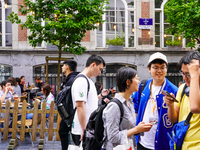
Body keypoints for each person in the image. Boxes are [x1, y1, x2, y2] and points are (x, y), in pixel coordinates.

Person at [132, 52, 178, 150]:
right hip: (142, 141)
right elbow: (136, 106)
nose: (159, 71)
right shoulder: (143, 86)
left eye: (162, 67)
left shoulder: (173, 90)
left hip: (163, 143)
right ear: (149, 69)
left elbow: (176, 119)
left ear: (166, 69)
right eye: (155, 67)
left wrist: (170, 105)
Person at [102, 67, 152, 150]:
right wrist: (136, 129)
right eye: (136, 78)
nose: (139, 82)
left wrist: (139, 128)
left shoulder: (130, 101)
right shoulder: (114, 106)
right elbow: (112, 137)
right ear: (128, 82)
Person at [163, 51, 200, 149]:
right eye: (183, 73)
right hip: (182, 145)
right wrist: (170, 105)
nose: (184, 78)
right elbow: (173, 119)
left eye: (188, 74)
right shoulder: (182, 88)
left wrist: (194, 75)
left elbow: (195, 108)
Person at [71, 55, 106, 145]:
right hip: (82, 129)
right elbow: (80, 106)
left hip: (88, 128)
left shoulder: (88, 80)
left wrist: (101, 96)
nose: (100, 72)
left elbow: (88, 101)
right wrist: (84, 129)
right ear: (93, 65)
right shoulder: (81, 81)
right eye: (100, 69)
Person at [59, 59, 79, 150]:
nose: (62, 67)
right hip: (71, 112)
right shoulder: (71, 79)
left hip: (70, 113)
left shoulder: (71, 80)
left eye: (63, 66)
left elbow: (69, 98)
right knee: (64, 132)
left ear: (67, 67)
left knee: (65, 132)